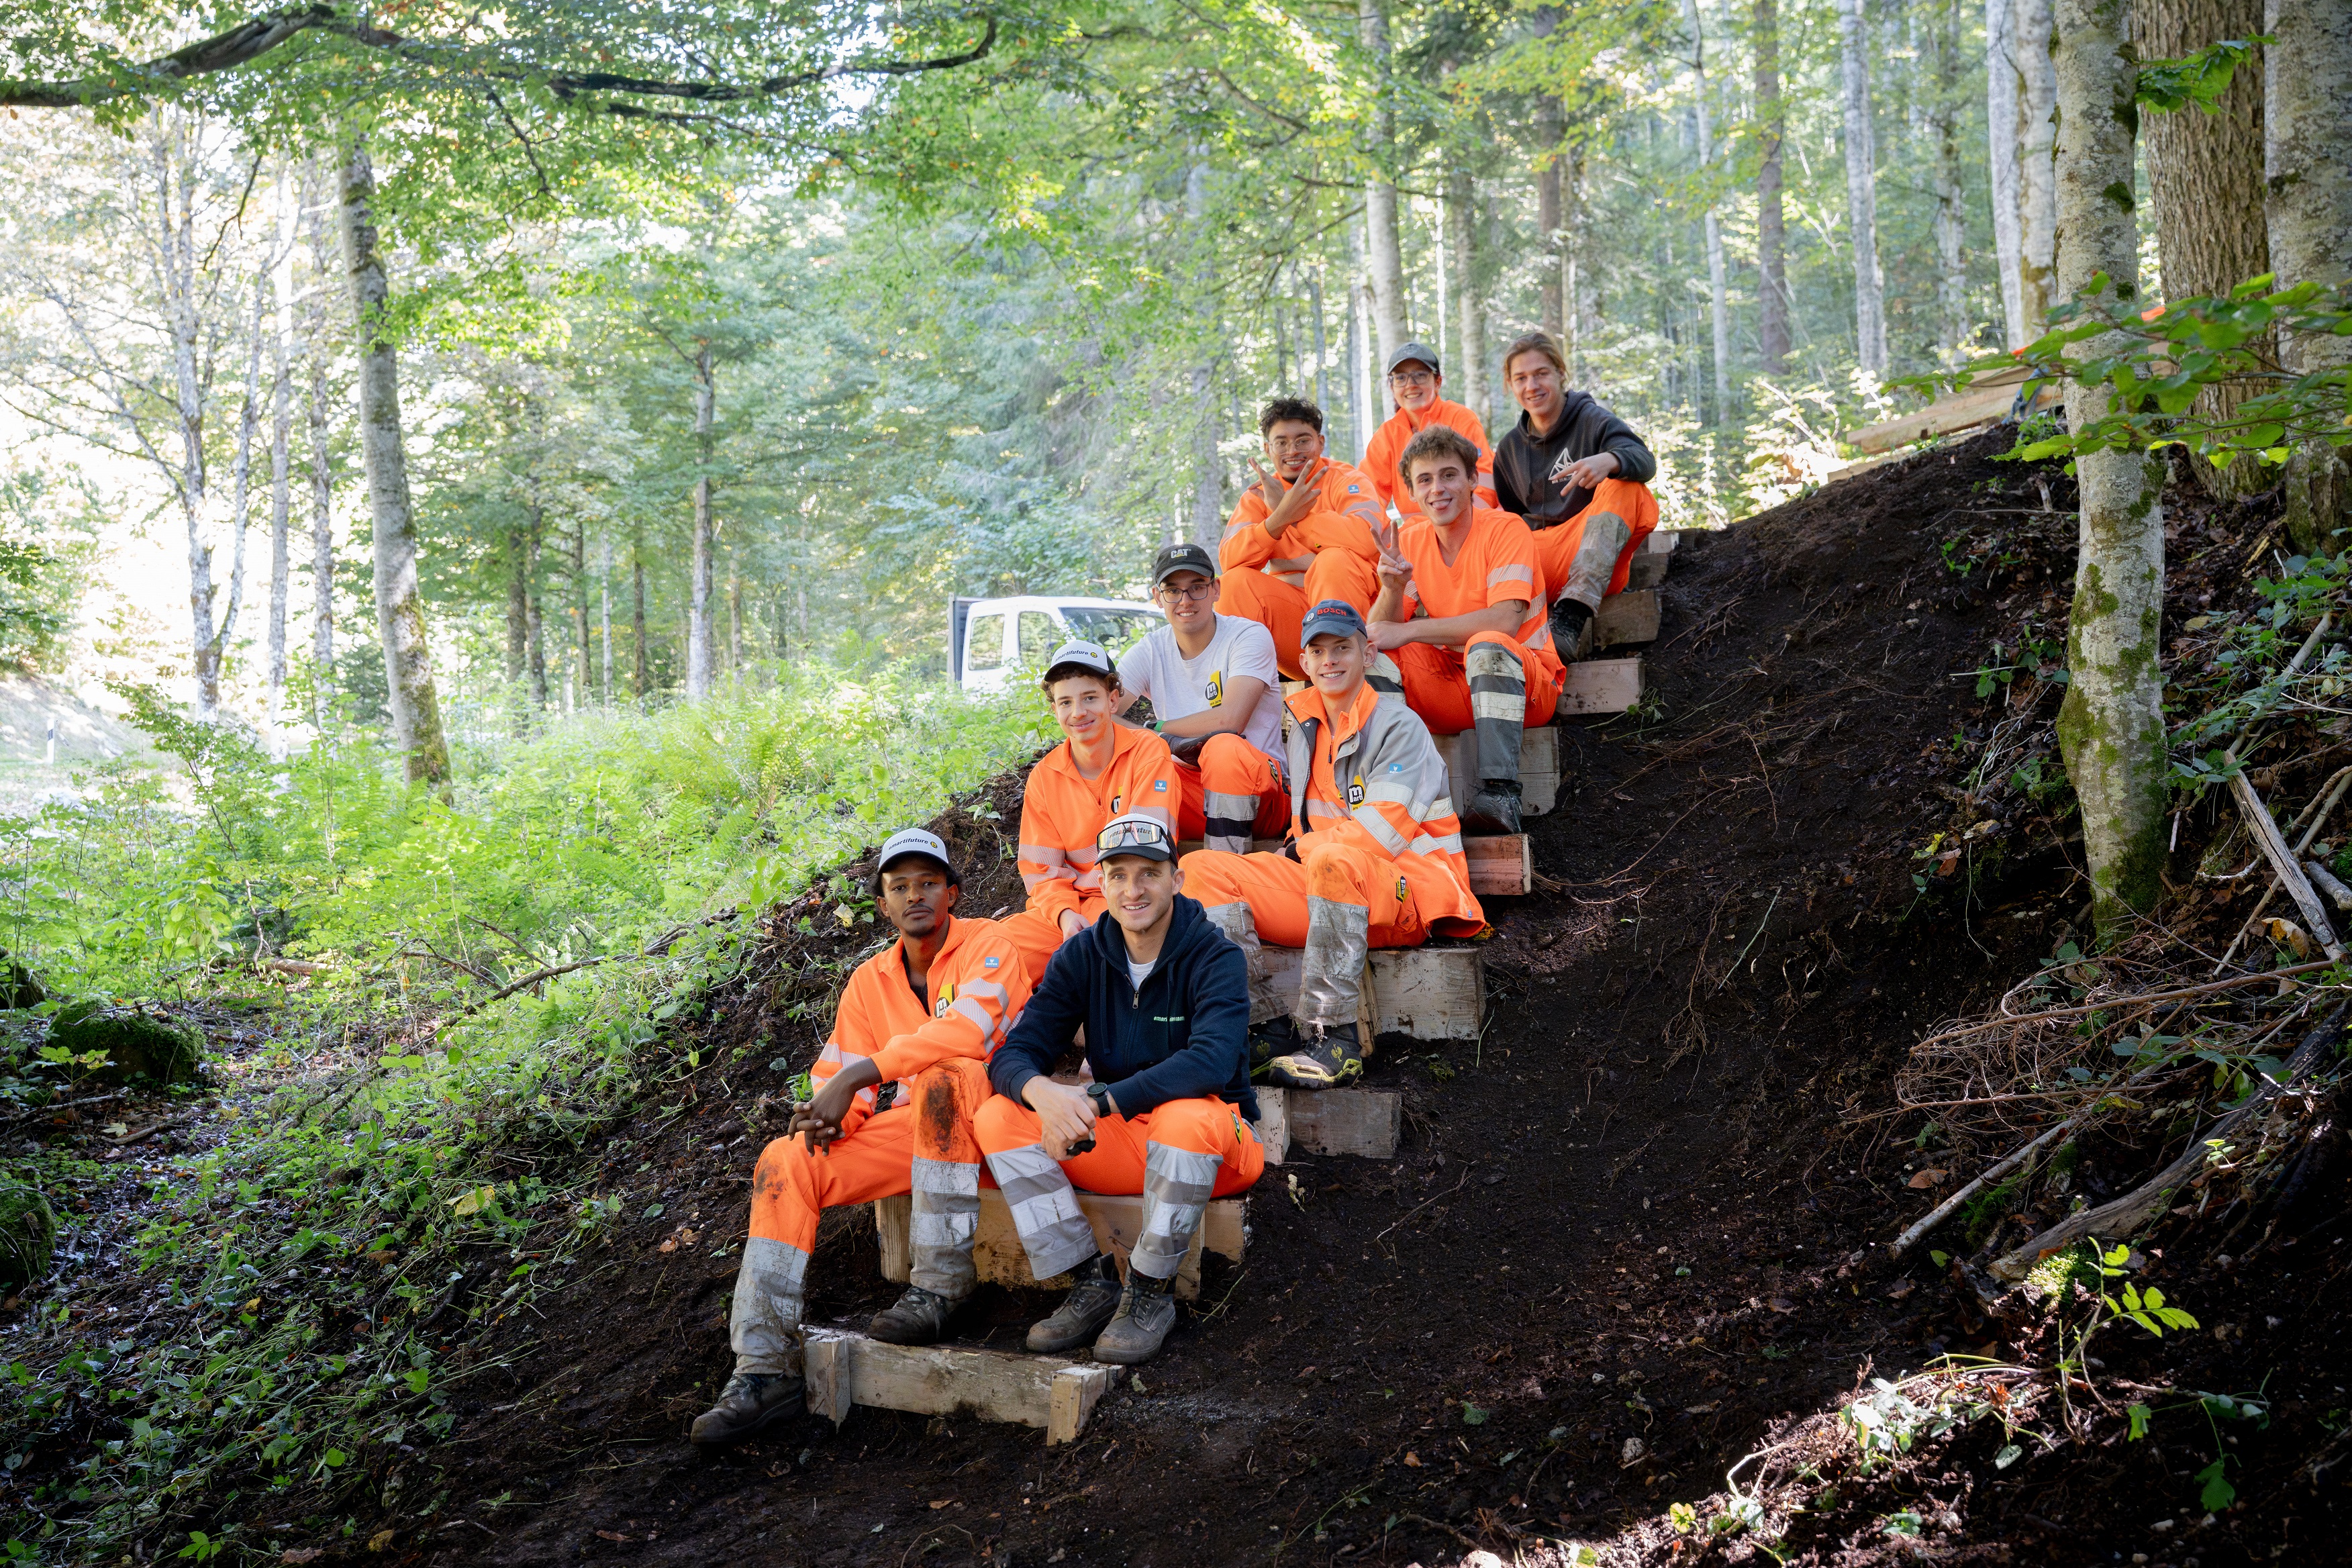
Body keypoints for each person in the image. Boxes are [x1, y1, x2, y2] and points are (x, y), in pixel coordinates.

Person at [690, 829, 1029, 1448]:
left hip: (1004, 1127)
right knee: (785, 1159)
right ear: (883, 905)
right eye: (900, 887)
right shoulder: (868, 981)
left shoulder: (991, 944)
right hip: (929, 1141)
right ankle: (763, 1368)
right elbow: (838, 1082)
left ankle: (940, 1286)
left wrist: (858, 1075)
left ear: (952, 892)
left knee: (945, 1076)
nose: (915, 896)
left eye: (928, 883)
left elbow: (970, 1033)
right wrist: (831, 1117)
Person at [972, 814, 1265, 1365]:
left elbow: (1210, 1063)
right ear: (1101, 885)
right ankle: (1090, 1282)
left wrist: (1097, 1100)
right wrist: (1044, 1094)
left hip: (1214, 1150)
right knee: (996, 1117)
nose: (1134, 890)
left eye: (1149, 874)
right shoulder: (1082, 957)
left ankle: (1151, 1292)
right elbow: (1013, 1054)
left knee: (1186, 1114)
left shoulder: (1214, 955)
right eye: (1119, 875)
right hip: (1128, 1144)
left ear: (1176, 879)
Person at [1180, 601, 1483, 1091]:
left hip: (1406, 897)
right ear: (1304, 663)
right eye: (1318, 651)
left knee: (1332, 856)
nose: (1330, 661)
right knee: (1202, 870)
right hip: (1331, 892)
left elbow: (1380, 835)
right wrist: (1295, 851)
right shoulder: (1304, 727)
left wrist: (1306, 849)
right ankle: (1263, 1031)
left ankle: (1335, 1039)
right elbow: (1310, 831)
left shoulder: (1400, 726)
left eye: (1342, 648)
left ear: (1367, 653)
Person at [1367, 424, 1564, 837]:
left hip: (1523, 690)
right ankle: (1389, 795)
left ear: (1473, 480)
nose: (1437, 488)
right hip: (1455, 689)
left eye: (1449, 475)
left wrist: (1411, 630)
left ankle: (1500, 795)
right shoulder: (1412, 540)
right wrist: (1392, 587)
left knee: (1487, 644)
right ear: (1412, 493)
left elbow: (1505, 622)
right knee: (1377, 659)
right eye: (1425, 480)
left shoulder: (1506, 529)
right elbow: (1378, 631)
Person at [999, 640, 1182, 987]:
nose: (1078, 712)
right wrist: (1066, 915)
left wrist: (1094, 912)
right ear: (1054, 709)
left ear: (1113, 699)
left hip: (1131, 896)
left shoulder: (1148, 752)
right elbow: (1042, 873)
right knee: (997, 951)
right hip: (1067, 909)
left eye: (1090, 698)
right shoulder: (1044, 777)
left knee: (1101, 950)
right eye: (1065, 702)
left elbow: (1143, 850)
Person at [1490, 329, 1660, 659]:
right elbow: (1511, 519)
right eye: (1521, 378)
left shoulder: (1591, 419)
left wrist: (1610, 459)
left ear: (1560, 374)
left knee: (1626, 486)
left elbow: (1644, 461)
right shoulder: (1509, 449)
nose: (1532, 386)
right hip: (1537, 563)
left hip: (1592, 556)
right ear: (1510, 385)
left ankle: (1570, 618)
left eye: (1541, 374)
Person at [1114, 540, 1289, 855]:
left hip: (1261, 794)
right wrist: (1151, 742)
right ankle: (1136, 876)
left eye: (1197, 587)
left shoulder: (1247, 636)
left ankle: (1224, 868)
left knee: (1223, 747)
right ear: (1158, 597)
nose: (1185, 600)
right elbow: (1102, 713)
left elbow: (1230, 719)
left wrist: (1160, 731)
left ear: (1215, 590)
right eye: (1173, 590)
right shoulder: (1151, 649)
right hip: (1195, 794)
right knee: (1136, 764)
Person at [1216, 397, 1387, 681]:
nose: (1292, 451)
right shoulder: (1259, 494)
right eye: (1281, 443)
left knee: (1333, 561)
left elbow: (1366, 539)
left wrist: (1296, 515)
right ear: (1267, 449)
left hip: (1356, 623)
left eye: (1303, 441)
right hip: (1295, 629)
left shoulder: (1347, 480)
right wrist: (1277, 520)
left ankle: (1349, 678)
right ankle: (1240, 697)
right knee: (1234, 584)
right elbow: (1229, 560)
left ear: (1320, 442)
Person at [1359, 341, 1498, 520]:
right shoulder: (1387, 436)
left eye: (1420, 375)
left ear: (1438, 382)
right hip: (1415, 537)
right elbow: (1368, 495)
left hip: (1466, 528)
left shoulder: (1461, 419)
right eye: (1401, 378)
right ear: (1392, 386)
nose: (1411, 384)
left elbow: (1485, 485)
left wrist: (1464, 527)